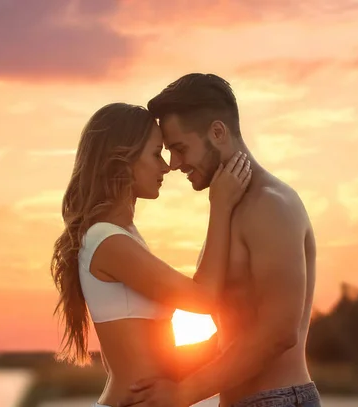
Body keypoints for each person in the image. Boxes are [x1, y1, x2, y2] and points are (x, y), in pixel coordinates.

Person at [117, 74, 321, 407]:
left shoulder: (270, 204)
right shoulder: (232, 206)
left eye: (180, 149)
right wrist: (161, 370)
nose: (175, 165)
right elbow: (236, 335)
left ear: (217, 132)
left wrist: (184, 393)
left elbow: (279, 331)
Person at [50, 102, 251, 407]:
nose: (167, 166)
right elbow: (203, 298)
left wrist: (234, 338)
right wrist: (220, 206)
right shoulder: (106, 240)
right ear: (123, 160)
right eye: (156, 153)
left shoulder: (122, 236)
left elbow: (154, 355)